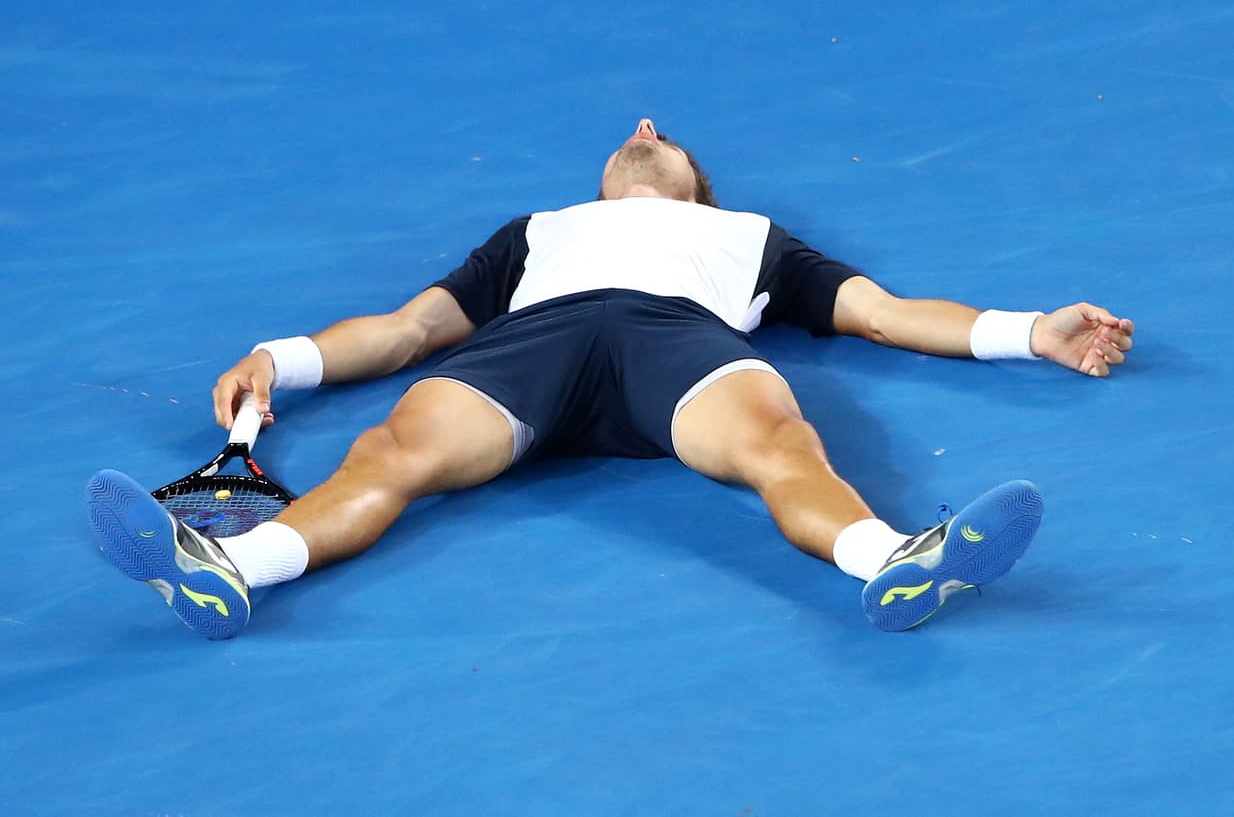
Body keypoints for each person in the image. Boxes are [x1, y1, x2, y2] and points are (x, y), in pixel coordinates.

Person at [86, 118, 1134, 639]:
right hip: (527, 346)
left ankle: (890, 560)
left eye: (662, 134)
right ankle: (238, 568)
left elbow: (889, 313)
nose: (641, 129)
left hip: (671, 343)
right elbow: (408, 330)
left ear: (690, 183)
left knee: (777, 439)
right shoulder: (534, 235)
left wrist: (1027, 329)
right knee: (394, 449)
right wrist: (282, 355)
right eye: (632, 134)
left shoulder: (747, 237)